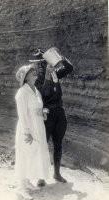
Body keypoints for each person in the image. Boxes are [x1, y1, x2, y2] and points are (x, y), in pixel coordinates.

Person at [34, 49, 73, 184]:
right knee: (43, 146)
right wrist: (46, 77)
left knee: (58, 144)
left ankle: (56, 173)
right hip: (47, 115)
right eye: (40, 64)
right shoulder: (37, 80)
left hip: (59, 113)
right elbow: (44, 93)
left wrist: (58, 57)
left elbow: (69, 67)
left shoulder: (55, 72)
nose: (41, 67)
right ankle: (41, 176)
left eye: (43, 63)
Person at [15, 63, 51, 199]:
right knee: (25, 155)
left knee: (34, 154)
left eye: (34, 71)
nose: (35, 73)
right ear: (26, 77)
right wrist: (27, 132)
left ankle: (28, 182)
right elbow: (22, 115)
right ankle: (21, 188)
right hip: (28, 127)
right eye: (31, 72)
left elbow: (37, 108)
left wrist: (43, 112)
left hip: (38, 126)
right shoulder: (22, 93)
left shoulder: (36, 90)